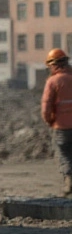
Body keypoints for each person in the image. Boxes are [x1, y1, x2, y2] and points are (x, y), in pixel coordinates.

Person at [40, 48, 72, 196]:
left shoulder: (53, 81)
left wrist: (50, 121)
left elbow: (46, 106)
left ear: (54, 65)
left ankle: (69, 182)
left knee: (64, 154)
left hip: (62, 126)